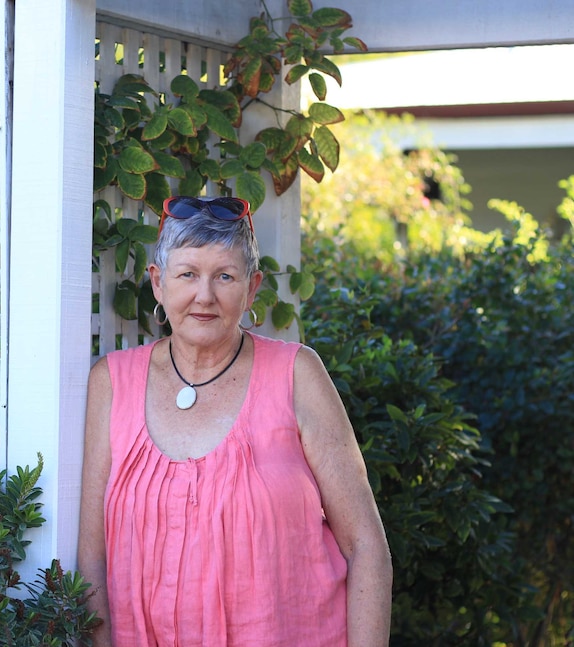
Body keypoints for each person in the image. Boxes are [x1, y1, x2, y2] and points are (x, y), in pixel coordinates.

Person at [78, 195, 392, 647]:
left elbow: (366, 549)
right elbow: (92, 562)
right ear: (158, 283)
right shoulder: (111, 383)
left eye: (224, 276)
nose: (204, 295)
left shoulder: (297, 374)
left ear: (252, 288)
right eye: (187, 274)